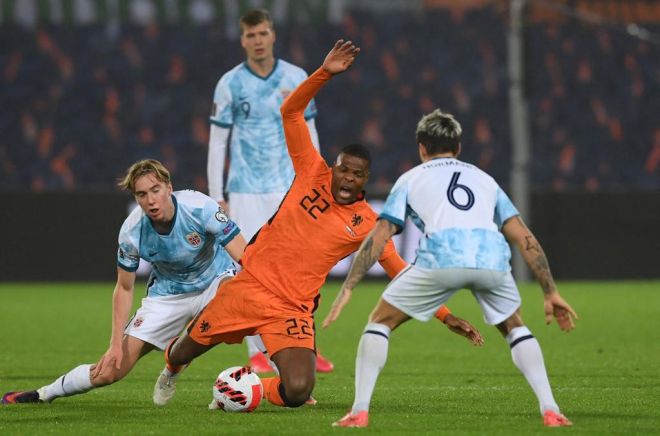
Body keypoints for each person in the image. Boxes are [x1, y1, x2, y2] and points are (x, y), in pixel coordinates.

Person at [158, 40, 483, 410]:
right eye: (343, 168)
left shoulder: (366, 223)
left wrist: (445, 316)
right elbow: (290, 111)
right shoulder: (311, 170)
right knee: (185, 350)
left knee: (297, 390)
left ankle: (245, 390)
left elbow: (399, 269)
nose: (347, 177)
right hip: (249, 286)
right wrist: (324, 73)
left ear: (365, 180)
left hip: (291, 309)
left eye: (357, 174)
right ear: (335, 165)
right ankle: (171, 367)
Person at [323, 109, 579, 428]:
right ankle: (551, 409)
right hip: (491, 258)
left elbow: (380, 236)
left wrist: (348, 287)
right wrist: (550, 291)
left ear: (421, 148)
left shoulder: (410, 179)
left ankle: (359, 412)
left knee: (379, 321)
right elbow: (525, 238)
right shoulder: (485, 180)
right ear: (457, 147)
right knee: (515, 327)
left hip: (441, 256)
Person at [2, 159, 246, 406]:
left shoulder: (200, 207)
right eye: (142, 194)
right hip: (168, 295)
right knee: (109, 371)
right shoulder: (132, 231)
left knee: (232, 299)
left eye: (155, 190)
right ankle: (43, 394)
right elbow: (124, 288)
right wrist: (115, 344)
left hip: (215, 279)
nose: (150, 200)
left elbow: (243, 256)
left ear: (169, 188)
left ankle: (175, 364)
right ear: (136, 197)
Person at [206, 8, 332, 374]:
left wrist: (319, 182)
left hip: (289, 188)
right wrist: (218, 194)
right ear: (242, 39)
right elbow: (218, 142)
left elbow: (310, 135)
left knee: (299, 269)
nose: (258, 41)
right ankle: (256, 352)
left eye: (263, 34)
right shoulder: (230, 84)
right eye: (251, 36)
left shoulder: (295, 77)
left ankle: (303, 346)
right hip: (244, 190)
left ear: (273, 35)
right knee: (251, 269)